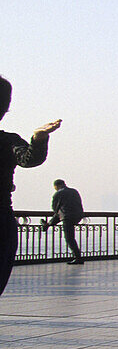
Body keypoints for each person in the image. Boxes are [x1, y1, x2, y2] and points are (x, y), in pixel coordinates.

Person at [0, 76, 60, 294]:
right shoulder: (7, 141)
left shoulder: (6, 141)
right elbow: (29, 158)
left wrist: (38, 138)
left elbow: (28, 158)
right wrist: (38, 138)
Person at [42, 179, 85, 264]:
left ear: (56, 186)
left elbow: (55, 209)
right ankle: (48, 224)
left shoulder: (58, 193)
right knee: (70, 236)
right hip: (77, 215)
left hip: (67, 217)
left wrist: (52, 220)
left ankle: (78, 258)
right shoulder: (74, 191)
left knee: (69, 238)